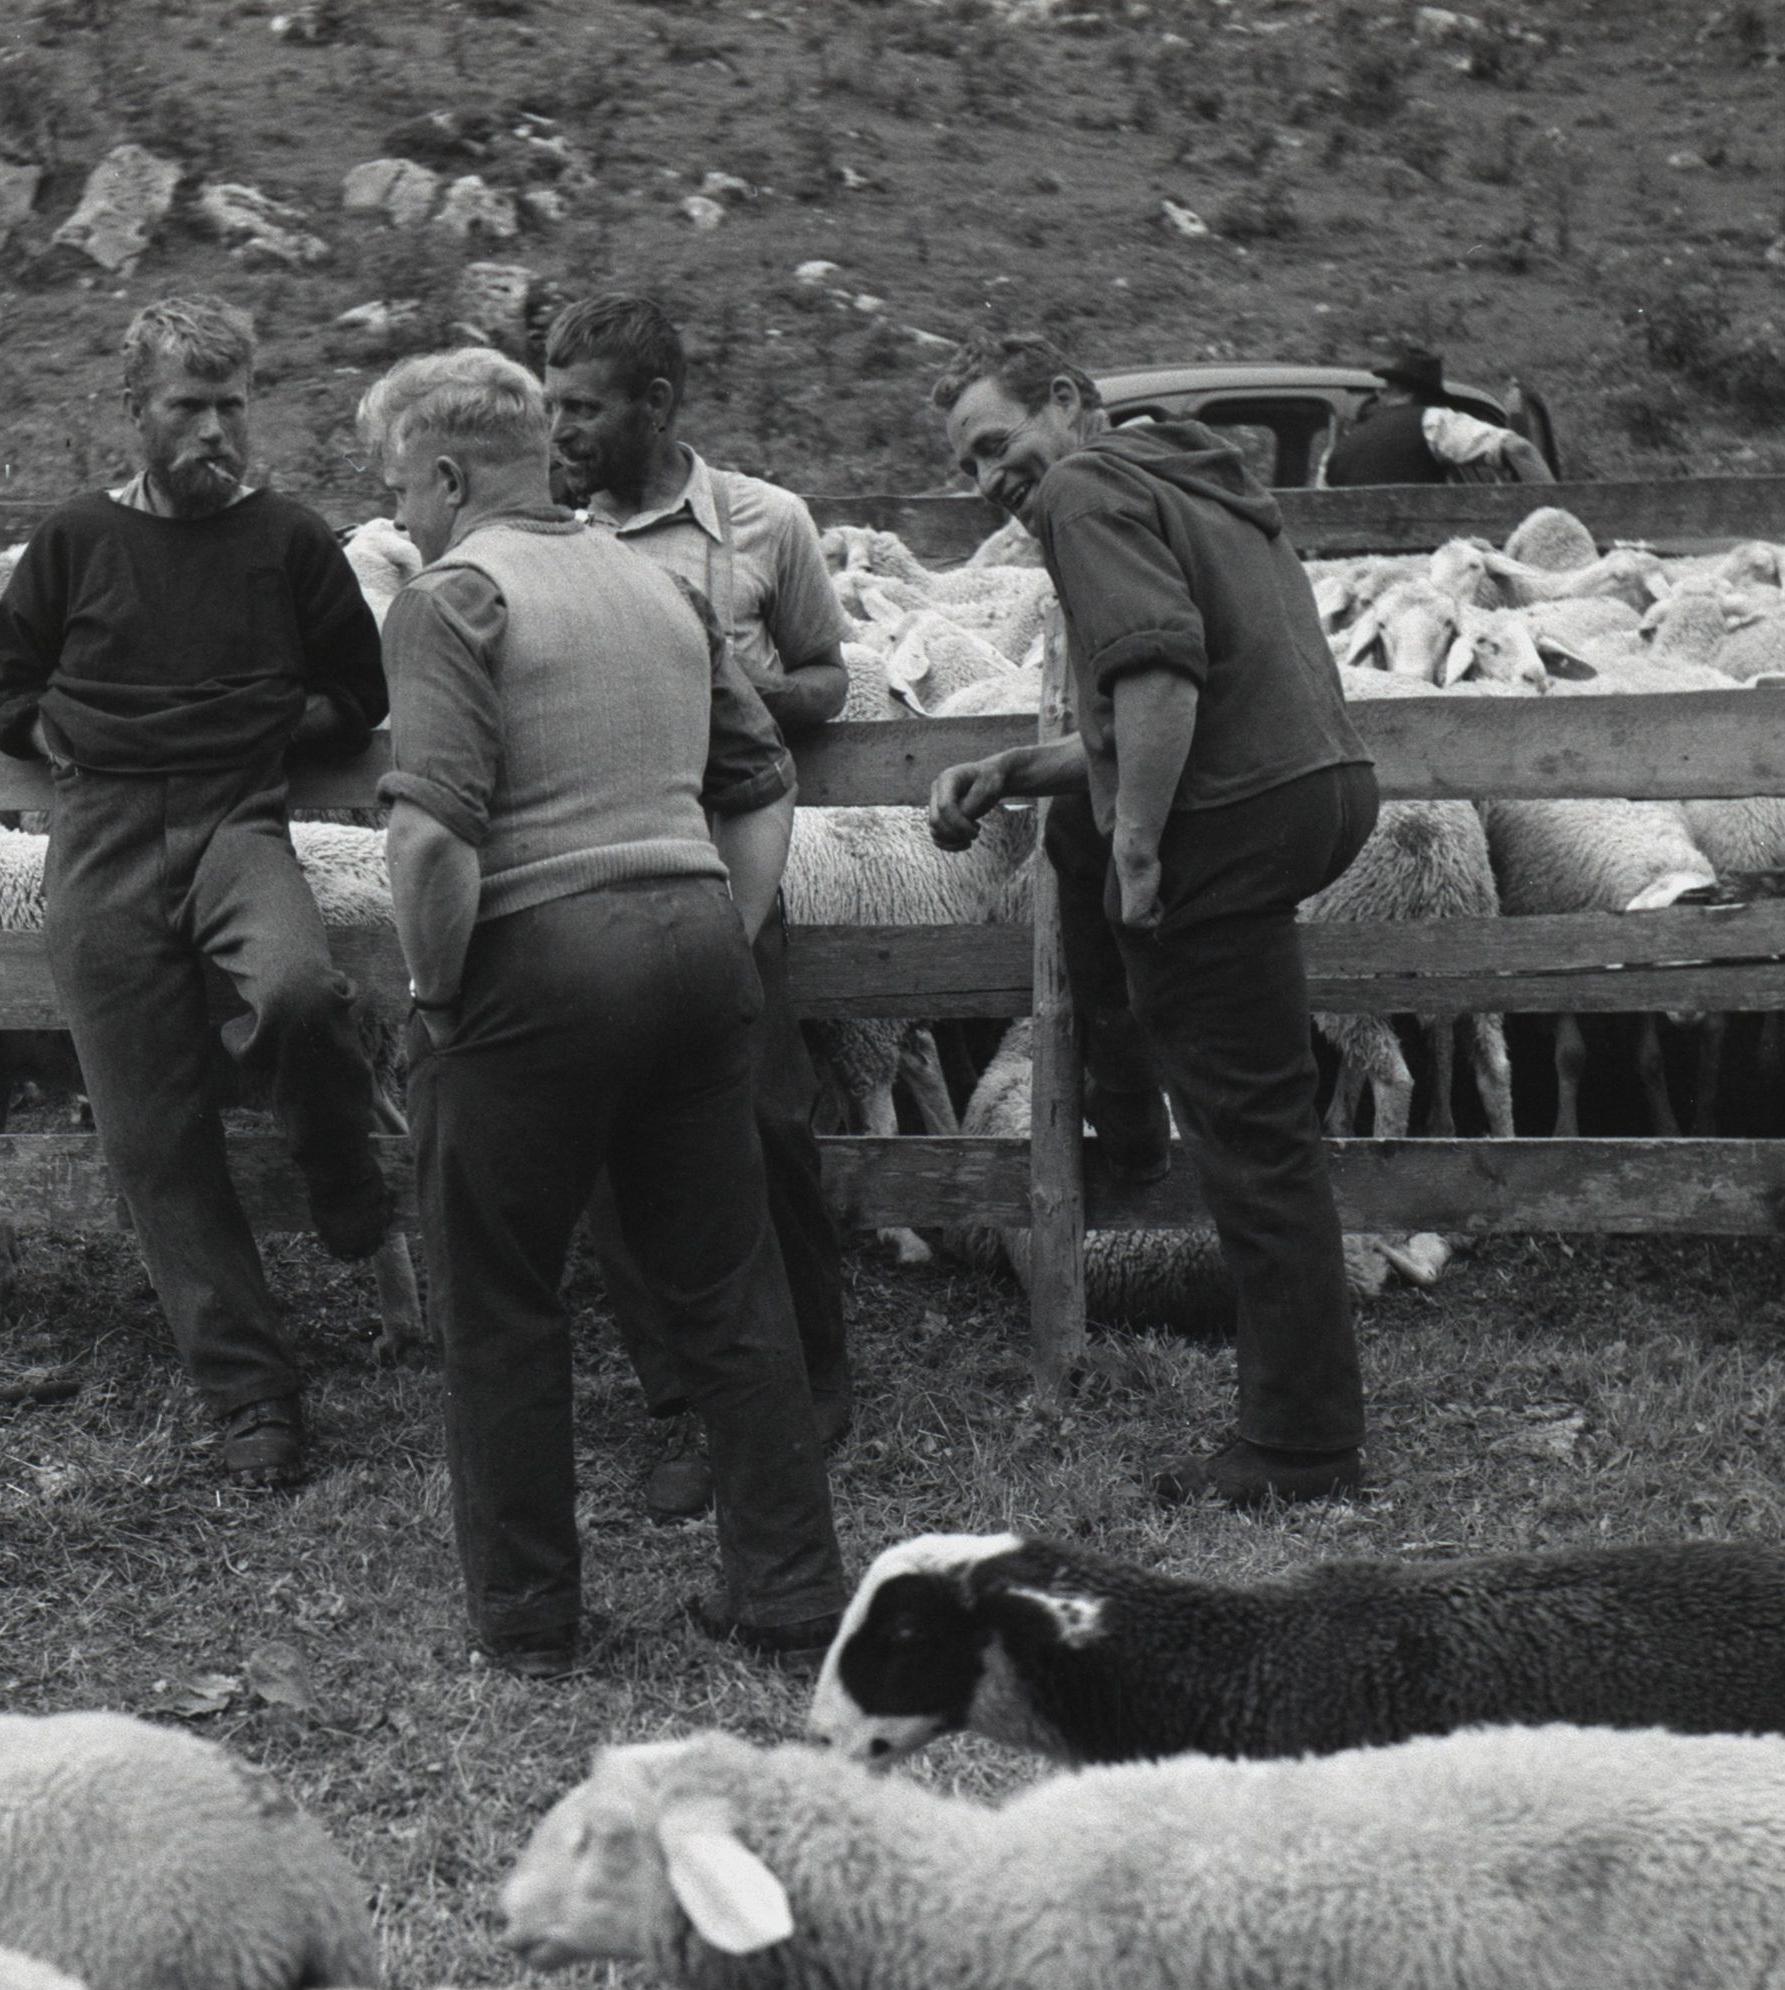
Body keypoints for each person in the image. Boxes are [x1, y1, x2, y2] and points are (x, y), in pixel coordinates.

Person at [359, 346, 846, 1677]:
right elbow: (758, 785)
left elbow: (431, 837)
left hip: (537, 960)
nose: (396, 514)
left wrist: (436, 998)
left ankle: (530, 1618)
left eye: (397, 488)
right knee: (727, 1282)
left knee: (501, 1296)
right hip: (692, 943)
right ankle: (790, 1587)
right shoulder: (659, 586)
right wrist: (721, 931)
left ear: (446, 476)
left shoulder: (453, 597)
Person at [924, 333, 1379, 1509]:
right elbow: (1150, 710)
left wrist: (1136, 846)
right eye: (966, 465)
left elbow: (1160, 680)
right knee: (1254, 1102)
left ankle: (1299, 1445)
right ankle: (1131, 1105)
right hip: (1314, 789)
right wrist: (1014, 769)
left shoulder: (1081, 489)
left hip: (1227, 819)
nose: (986, 480)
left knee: (1253, 1139)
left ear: (1064, 401)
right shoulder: (1188, 476)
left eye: (994, 444)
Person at [0, 297, 397, 1490]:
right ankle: (253, 1396)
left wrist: (255, 730)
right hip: (101, 841)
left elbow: (355, 696)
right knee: (150, 1134)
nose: (214, 430)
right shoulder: (73, 541)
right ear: (135, 410)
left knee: (298, 988)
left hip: (235, 823)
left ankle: (340, 1168)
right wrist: (69, 737)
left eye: (231, 406)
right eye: (187, 406)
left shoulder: (291, 540)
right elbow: (10, 694)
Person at [543, 291, 852, 1525]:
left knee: (765, 1125)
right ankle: (684, 1399)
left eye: (583, 408)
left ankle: (814, 1382)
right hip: (591, 877)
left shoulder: (767, 523)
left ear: (656, 405)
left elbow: (828, 677)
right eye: (550, 405)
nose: (560, 430)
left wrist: (723, 692)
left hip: (732, 872)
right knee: (616, 1149)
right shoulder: (545, 534)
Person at [1321, 344, 1554, 488]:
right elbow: (1518, 448)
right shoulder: (1433, 422)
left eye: (1384, 389)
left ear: (1393, 392)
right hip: (1418, 553)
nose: (1378, 394)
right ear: (1425, 395)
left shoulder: (1336, 449)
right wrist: (1558, 515)